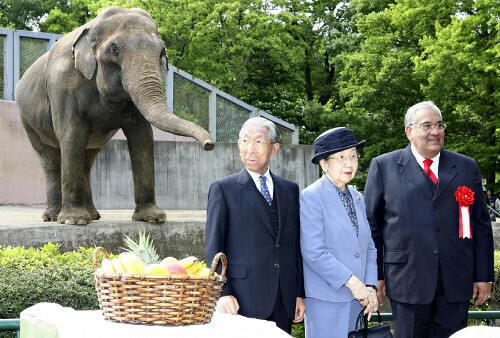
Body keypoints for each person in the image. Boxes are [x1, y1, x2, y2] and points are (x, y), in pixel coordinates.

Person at [364, 101, 494, 337]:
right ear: (409, 131)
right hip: (407, 281)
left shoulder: (466, 167)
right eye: (427, 126)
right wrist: (376, 276)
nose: (435, 132)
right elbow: (373, 228)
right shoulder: (383, 166)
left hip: (456, 281)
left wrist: (483, 276)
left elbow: (481, 226)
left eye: (439, 125)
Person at [205, 116, 305, 334]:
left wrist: (298, 293)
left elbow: (294, 246)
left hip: (283, 297)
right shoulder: (223, 189)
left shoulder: (290, 190)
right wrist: (222, 292)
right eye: (245, 141)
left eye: (259, 142)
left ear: (274, 149)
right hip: (242, 298)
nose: (250, 149)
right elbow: (214, 249)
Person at [300, 127, 378, 337]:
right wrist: (353, 282)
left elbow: (369, 247)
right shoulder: (311, 197)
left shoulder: (356, 196)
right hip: (327, 300)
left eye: (353, 155)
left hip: (359, 300)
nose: (350, 163)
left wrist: (370, 287)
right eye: (341, 157)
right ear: (323, 163)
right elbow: (313, 252)